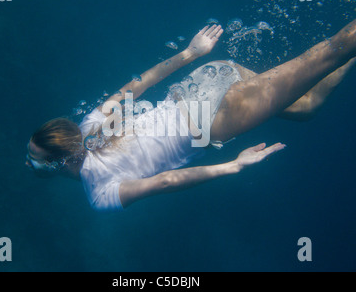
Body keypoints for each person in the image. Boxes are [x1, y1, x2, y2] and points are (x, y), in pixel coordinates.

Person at [26, 20, 356, 211]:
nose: (28, 163)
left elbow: (167, 181)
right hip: (204, 78)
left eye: (34, 157)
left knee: (332, 52)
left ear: (57, 162)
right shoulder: (89, 126)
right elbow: (136, 87)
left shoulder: (100, 194)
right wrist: (191, 54)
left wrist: (234, 166)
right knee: (306, 107)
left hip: (212, 120)